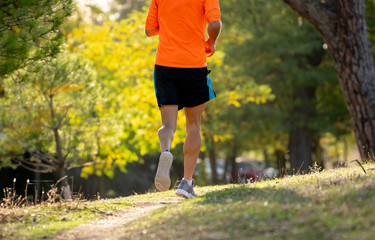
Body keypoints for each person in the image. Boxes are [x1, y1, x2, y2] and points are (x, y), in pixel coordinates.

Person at [145, 0, 222, 199]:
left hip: (164, 65)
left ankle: (166, 150)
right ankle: (186, 183)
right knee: (194, 125)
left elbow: (150, 30)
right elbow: (214, 24)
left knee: (168, 125)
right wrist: (211, 42)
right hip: (193, 65)